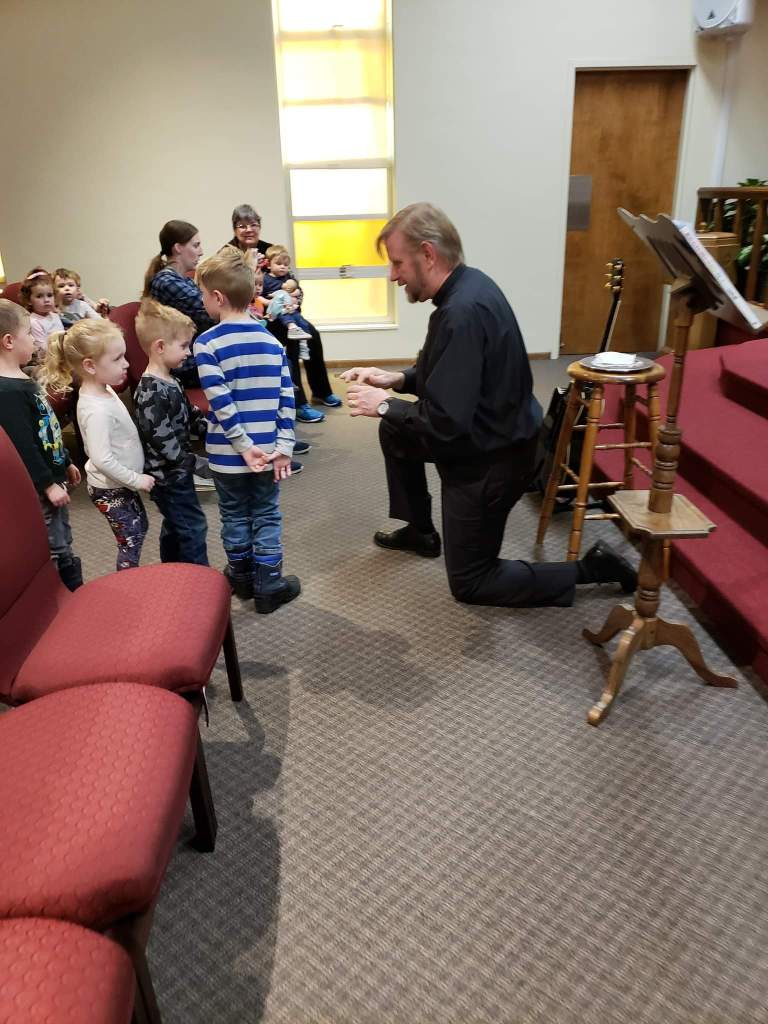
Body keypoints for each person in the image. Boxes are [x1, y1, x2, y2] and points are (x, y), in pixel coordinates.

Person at [342, 202, 637, 608]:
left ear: (428, 254)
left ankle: (591, 569)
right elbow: (450, 375)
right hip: (493, 436)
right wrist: (399, 380)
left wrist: (383, 404)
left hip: (493, 461)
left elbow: (446, 422)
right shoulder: (469, 286)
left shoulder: (461, 313)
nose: (393, 275)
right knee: (395, 430)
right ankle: (420, 530)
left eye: (397, 263)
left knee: (472, 582)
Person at [194, 246, 300, 613]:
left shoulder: (207, 343)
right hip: (268, 452)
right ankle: (269, 584)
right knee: (267, 513)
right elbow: (287, 399)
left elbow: (221, 404)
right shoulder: (272, 342)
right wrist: (285, 445)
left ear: (218, 297)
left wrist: (241, 445)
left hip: (227, 456)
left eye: (202, 294)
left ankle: (240, 577)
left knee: (234, 513)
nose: (202, 300)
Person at [43, 318, 154, 571]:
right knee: (130, 540)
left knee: (139, 529)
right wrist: (136, 480)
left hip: (120, 483)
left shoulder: (104, 389)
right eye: (117, 359)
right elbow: (101, 458)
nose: (126, 363)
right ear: (90, 366)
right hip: (110, 489)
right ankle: (128, 583)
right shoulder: (96, 410)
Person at [227, 205, 340, 423]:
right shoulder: (228, 253)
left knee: (312, 334)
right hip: (254, 314)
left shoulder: (270, 250)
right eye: (242, 226)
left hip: (282, 311)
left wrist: (296, 297)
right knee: (291, 344)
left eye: (253, 224)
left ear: (260, 227)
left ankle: (321, 391)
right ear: (234, 229)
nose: (248, 229)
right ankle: (299, 404)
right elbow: (230, 287)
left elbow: (290, 278)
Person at [0, 299, 83, 590]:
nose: (35, 340)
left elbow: (46, 429)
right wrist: (48, 484)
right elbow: (23, 446)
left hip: (53, 476)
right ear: (9, 341)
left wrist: (66, 460)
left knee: (63, 537)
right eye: (28, 334)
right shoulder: (7, 392)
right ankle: (63, 595)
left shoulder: (23, 379)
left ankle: (72, 588)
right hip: (40, 486)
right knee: (54, 546)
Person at [133, 298, 209, 566]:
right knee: (193, 527)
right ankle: (199, 580)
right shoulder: (150, 391)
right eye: (184, 346)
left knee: (176, 525)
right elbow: (162, 440)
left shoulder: (172, 379)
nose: (189, 352)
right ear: (160, 347)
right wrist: (195, 464)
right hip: (167, 477)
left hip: (177, 472)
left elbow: (190, 413)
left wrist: (210, 432)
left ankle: (172, 570)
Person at [143, 220, 213, 387]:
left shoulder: (182, 280)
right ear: (178, 248)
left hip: (193, 355)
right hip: (184, 365)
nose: (201, 252)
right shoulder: (166, 282)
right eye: (196, 245)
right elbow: (212, 314)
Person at [20, 268, 64, 372]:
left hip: (62, 355)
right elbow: (43, 348)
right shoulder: (33, 321)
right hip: (46, 362)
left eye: (50, 295)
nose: (46, 300)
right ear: (29, 300)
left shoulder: (55, 316)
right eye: (39, 296)